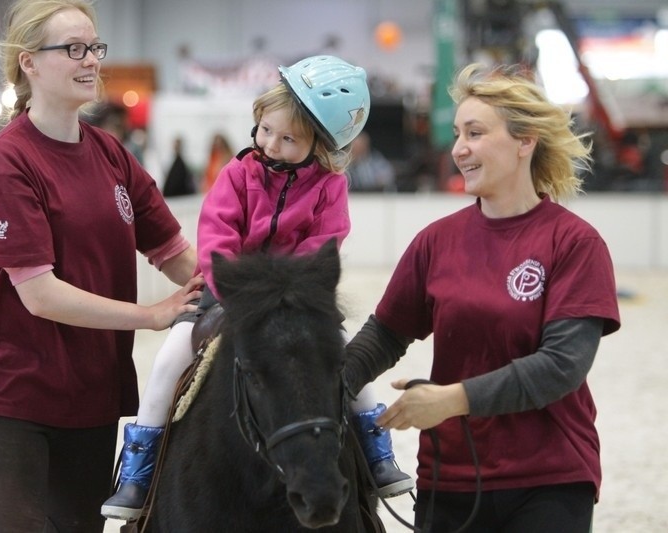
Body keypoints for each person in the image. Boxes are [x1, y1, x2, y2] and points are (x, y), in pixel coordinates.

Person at [102, 54, 414, 522]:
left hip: (297, 297)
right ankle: (139, 470)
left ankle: (376, 452)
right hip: (229, 293)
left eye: (289, 139)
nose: (271, 145)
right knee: (170, 359)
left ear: (319, 145)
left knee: (345, 358)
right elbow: (217, 233)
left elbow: (324, 242)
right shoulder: (237, 174)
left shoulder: (330, 187)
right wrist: (237, 287)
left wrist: (296, 291)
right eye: (266, 130)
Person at [0, 2, 202, 532]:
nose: (91, 61)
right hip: (9, 395)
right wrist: (152, 315)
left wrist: (249, 288)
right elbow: (40, 294)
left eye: (95, 47)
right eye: (74, 49)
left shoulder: (112, 154)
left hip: (91, 394)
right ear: (29, 62)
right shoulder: (5, 160)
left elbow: (174, 252)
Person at [344, 63, 621, 532]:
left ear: (524, 141)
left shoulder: (575, 243)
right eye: (457, 134)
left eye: (475, 133)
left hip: (549, 479)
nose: (459, 149)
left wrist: (450, 400)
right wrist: (321, 386)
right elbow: (385, 336)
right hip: (450, 479)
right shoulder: (436, 242)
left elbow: (561, 367)